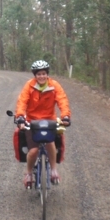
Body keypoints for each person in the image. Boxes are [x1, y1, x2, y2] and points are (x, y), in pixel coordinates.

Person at [15, 60, 71, 189]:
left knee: (50, 143)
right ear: (35, 75)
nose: (41, 76)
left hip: (49, 120)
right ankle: (28, 173)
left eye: (44, 73)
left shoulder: (54, 86)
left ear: (47, 74)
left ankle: (53, 170)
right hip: (32, 121)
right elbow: (22, 102)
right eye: (38, 74)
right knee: (34, 150)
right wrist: (20, 118)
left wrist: (66, 116)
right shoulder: (29, 86)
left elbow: (62, 100)